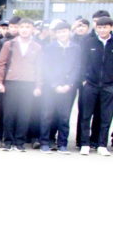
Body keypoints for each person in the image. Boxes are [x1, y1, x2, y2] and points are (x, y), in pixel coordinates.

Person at [0, 19, 43, 152]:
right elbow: (1, 64)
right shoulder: (9, 44)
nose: (25, 30)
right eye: (22, 27)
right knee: (9, 113)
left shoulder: (37, 47)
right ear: (18, 29)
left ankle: (19, 142)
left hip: (28, 83)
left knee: (24, 114)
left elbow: (39, 68)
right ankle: (8, 141)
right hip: (11, 81)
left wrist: (38, 86)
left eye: (28, 27)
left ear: (32, 29)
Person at [39, 21, 79, 154]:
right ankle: (44, 143)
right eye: (59, 32)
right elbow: (46, 67)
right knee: (47, 115)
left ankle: (62, 144)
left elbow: (77, 67)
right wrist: (54, 84)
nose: (62, 34)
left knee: (64, 116)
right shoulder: (49, 47)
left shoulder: (76, 48)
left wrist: (69, 84)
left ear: (69, 32)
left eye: (64, 31)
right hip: (51, 87)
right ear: (55, 34)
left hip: (68, 87)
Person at [76, 15, 113, 155]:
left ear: (111, 28)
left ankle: (101, 144)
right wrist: (83, 80)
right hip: (90, 84)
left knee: (106, 117)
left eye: (105, 27)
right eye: (99, 27)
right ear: (96, 28)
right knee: (86, 115)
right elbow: (81, 63)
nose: (102, 30)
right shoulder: (89, 42)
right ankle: (85, 143)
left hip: (109, 86)